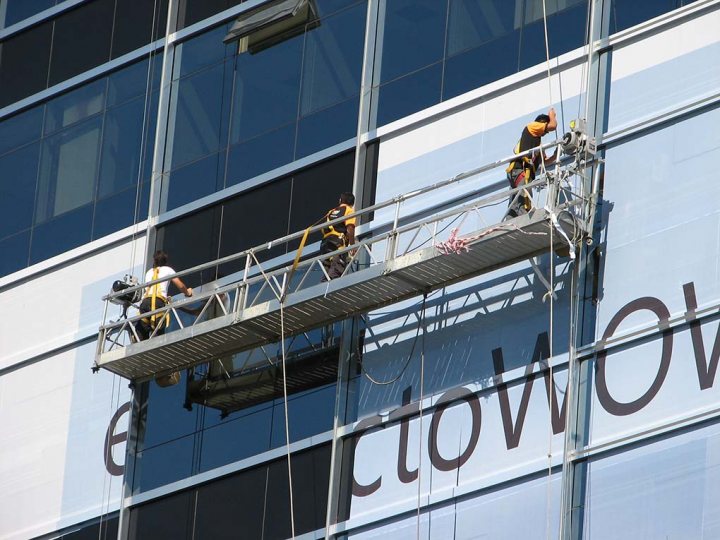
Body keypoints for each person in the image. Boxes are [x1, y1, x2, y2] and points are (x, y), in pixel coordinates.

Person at [505, 108, 558, 218]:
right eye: (545, 129)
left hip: (522, 174)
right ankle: (522, 221)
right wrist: (552, 115)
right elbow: (553, 125)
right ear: (542, 123)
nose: (545, 133)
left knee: (517, 203)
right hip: (519, 171)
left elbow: (545, 161)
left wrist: (555, 156)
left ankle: (509, 223)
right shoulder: (533, 126)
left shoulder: (538, 144)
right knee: (522, 202)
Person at [135, 250, 193, 341]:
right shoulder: (168, 270)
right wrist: (188, 293)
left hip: (145, 303)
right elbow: (180, 285)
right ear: (165, 261)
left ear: (154, 260)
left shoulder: (149, 272)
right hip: (158, 302)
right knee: (159, 333)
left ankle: (138, 347)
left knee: (142, 332)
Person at [320, 192, 356, 280]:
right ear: (352, 203)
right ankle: (329, 289)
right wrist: (352, 246)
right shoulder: (349, 210)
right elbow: (350, 229)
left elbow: (324, 228)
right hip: (337, 244)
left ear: (340, 200)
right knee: (336, 270)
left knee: (327, 270)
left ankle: (323, 287)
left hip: (325, 244)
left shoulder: (331, 212)